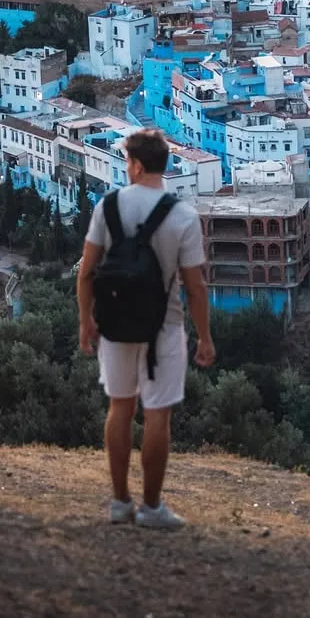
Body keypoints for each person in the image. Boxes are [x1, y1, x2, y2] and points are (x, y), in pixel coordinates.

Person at [78, 128, 215, 530]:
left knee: (120, 408)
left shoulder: (108, 207)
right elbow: (195, 286)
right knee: (158, 416)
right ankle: (152, 508)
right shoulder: (183, 216)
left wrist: (86, 320)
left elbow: (87, 273)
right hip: (164, 328)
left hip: (116, 323)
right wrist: (204, 336)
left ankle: (120, 502)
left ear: (135, 165)